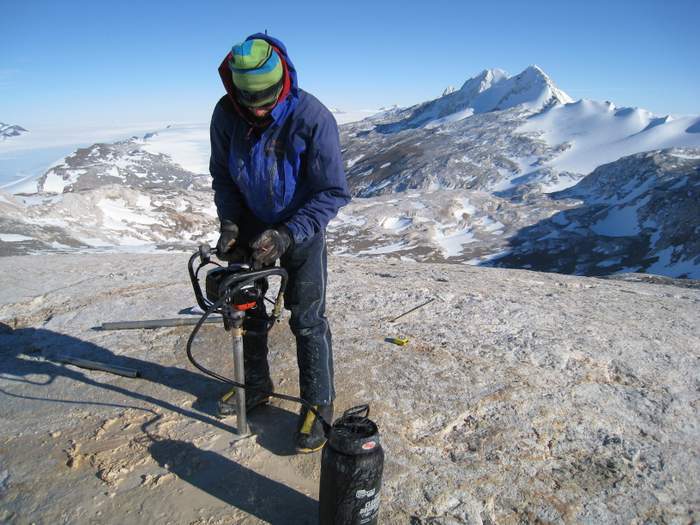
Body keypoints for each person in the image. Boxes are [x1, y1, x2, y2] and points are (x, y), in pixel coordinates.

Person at [209, 33, 351, 453]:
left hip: (301, 230)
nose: (256, 109)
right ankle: (255, 385)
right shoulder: (225, 113)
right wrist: (232, 223)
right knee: (246, 306)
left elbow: (332, 192)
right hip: (252, 224)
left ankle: (318, 405)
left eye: (266, 100)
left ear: (281, 83)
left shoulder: (312, 117)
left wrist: (288, 233)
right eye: (248, 100)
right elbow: (223, 175)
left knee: (307, 319)